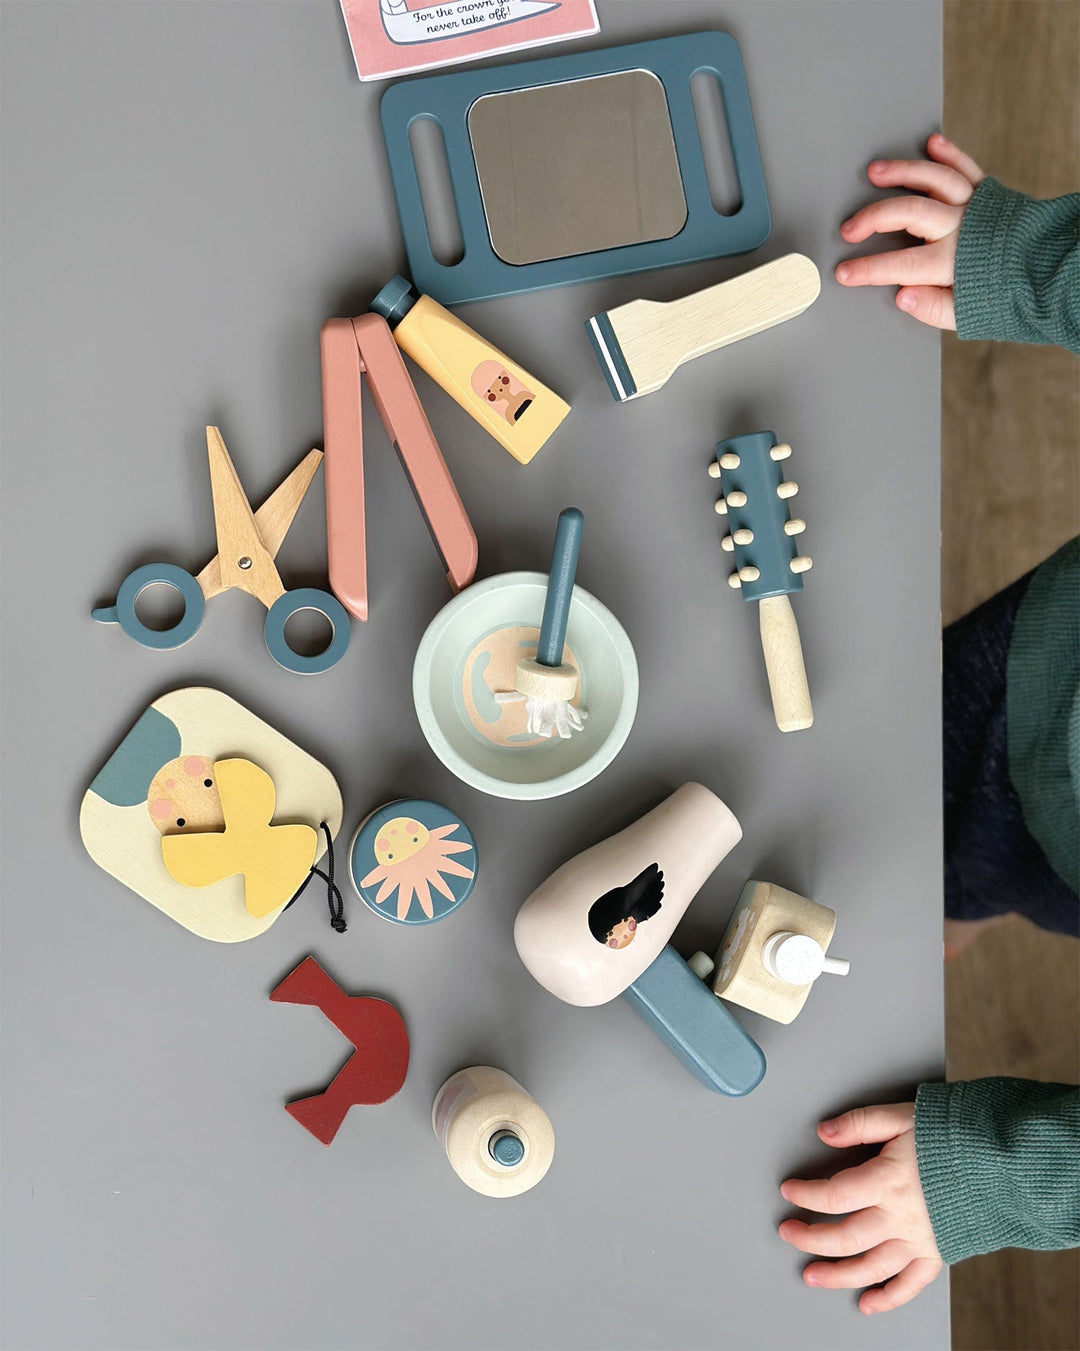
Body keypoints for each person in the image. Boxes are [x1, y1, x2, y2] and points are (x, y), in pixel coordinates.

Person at [777, 133, 1080, 1315]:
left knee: (946, 876)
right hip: (1046, 678)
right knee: (920, 809)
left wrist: (998, 1180)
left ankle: (954, 901)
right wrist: (1034, 259)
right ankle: (955, 895)